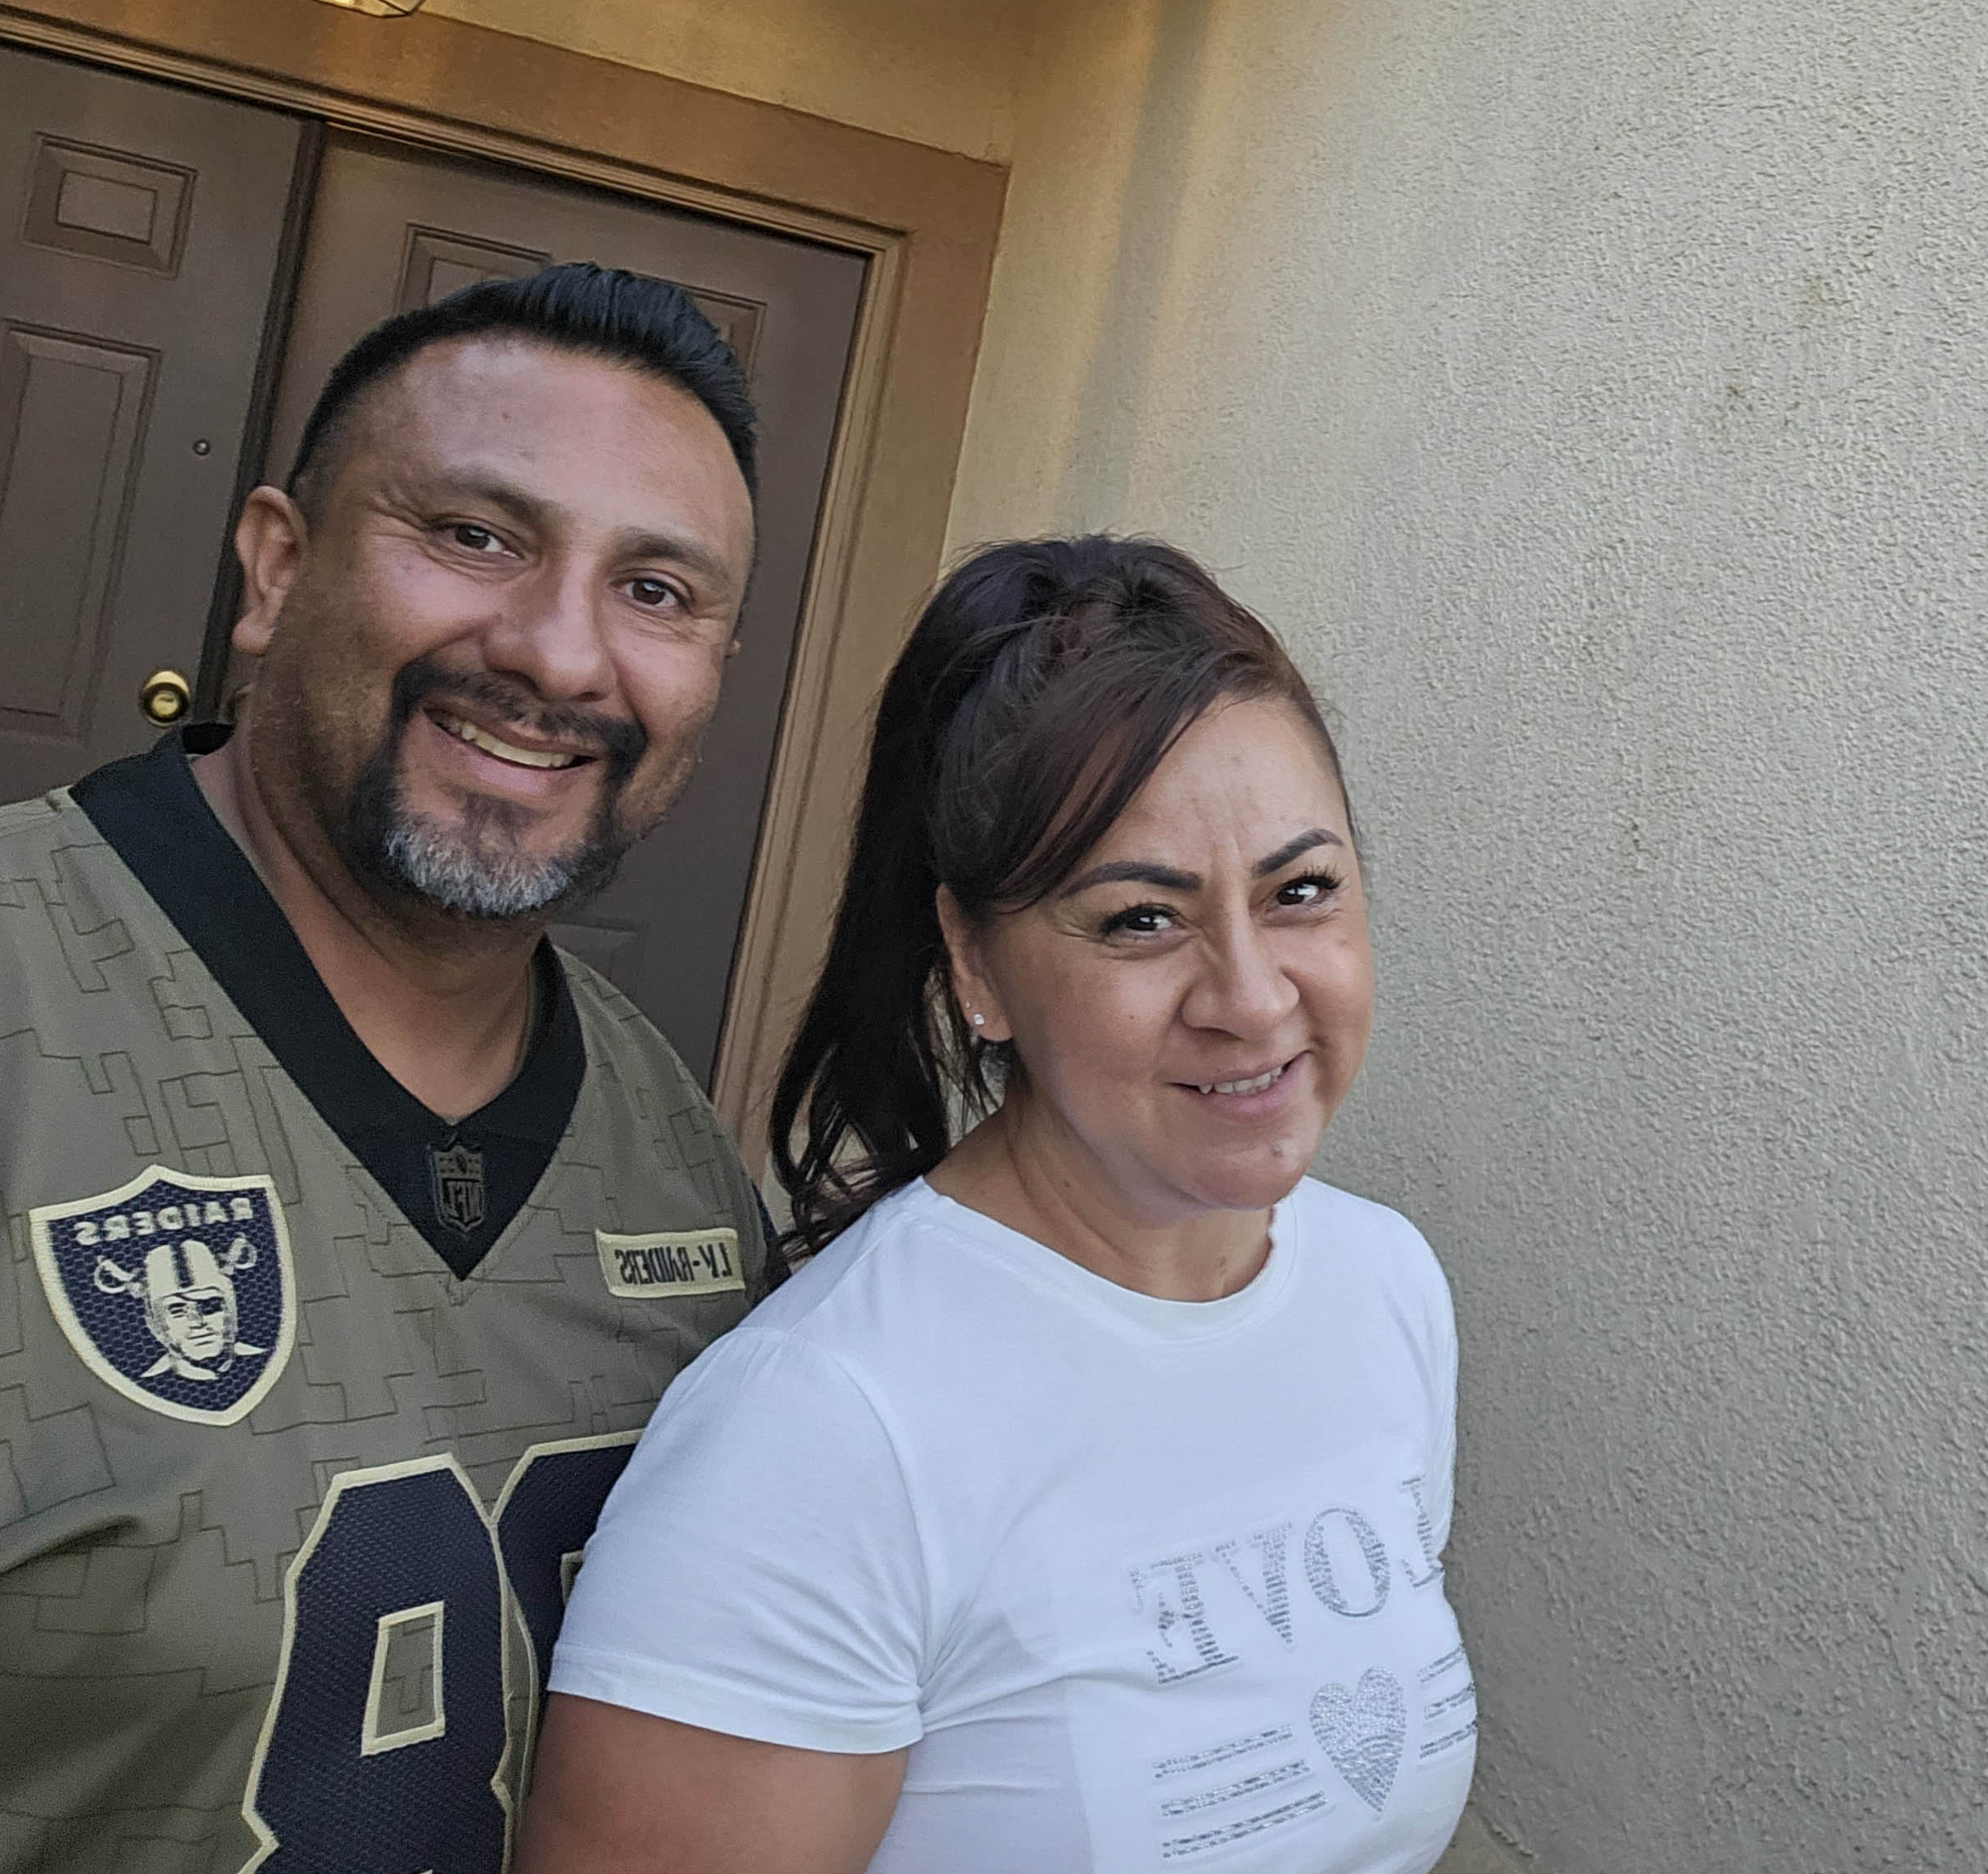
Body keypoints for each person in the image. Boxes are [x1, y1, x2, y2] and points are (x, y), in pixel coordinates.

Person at [0, 264, 778, 1874]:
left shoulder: (674, 1159)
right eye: (476, 535)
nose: (562, 655)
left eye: (656, 590)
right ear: (276, 569)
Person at [520, 536, 1474, 1874]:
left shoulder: (1383, 1285)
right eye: (1142, 919)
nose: (1254, 998)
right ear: (973, 961)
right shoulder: (825, 1426)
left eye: (1300, 892)